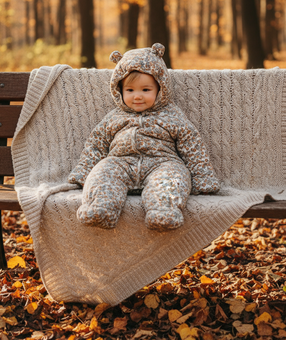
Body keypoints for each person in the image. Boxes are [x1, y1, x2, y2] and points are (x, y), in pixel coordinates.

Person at [68, 43, 220, 231]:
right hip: (120, 162)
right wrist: (84, 172)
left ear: (160, 89)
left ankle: (163, 211)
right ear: (119, 91)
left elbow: (192, 144)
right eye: (130, 90)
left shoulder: (172, 115)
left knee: (172, 178)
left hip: (162, 162)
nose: (137, 96)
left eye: (145, 90)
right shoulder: (114, 117)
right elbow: (96, 145)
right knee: (102, 173)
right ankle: (100, 208)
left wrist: (202, 177)